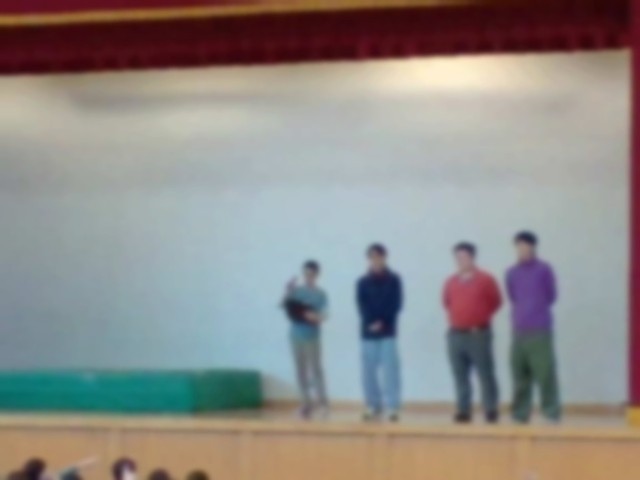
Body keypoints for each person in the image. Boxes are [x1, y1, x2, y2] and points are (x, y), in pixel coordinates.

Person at [443, 242, 502, 424]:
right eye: (458, 257)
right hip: (455, 334)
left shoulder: (486, 279)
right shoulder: (451, 282)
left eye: (464, 257)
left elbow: (496, 302)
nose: (461, 261)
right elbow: (446, 303)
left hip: (478, 334)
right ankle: (463, 409)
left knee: (485, 373)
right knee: (460, 374)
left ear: (472, 258)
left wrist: (480, 317)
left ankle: (490, 409)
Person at [506, 231, 561, 423]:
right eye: (518, 246)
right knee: (519, 375)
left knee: (545, 373)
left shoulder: (544, 270)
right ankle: (520, 413)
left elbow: (551, 296)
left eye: (525, 246)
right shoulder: (511, 272)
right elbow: (513, 296)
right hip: (518, 330)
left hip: (539, 330)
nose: (522, 249)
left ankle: (551, 412)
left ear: (533, 247)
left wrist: (535, 309)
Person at [356, 243, 403, 422]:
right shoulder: (362, 282)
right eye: (372, 257)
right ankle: (372, 405)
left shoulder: (395, 279)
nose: (375, 260)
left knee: (390, 370)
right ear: (368, 259)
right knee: (368, 371)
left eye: (378, 256)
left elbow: (396, 304)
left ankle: (392, 407)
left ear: (384, 257)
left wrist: (382, 322)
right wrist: (371, 322)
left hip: (388, 331)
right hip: (368, 332)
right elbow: (362, 306)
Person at [283, 260, 329, 419]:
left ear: (317, 275)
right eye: (306, 273)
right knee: (300, 370)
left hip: (312, 336)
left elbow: (325, 315)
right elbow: (283, 305)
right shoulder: (297, 291)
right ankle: (305, 404)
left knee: (316, 369)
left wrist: (315, 316)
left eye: (312, 274)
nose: (309, 277)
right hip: (295, 335)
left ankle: (322, 403)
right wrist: (287, 291)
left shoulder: (321, 294)